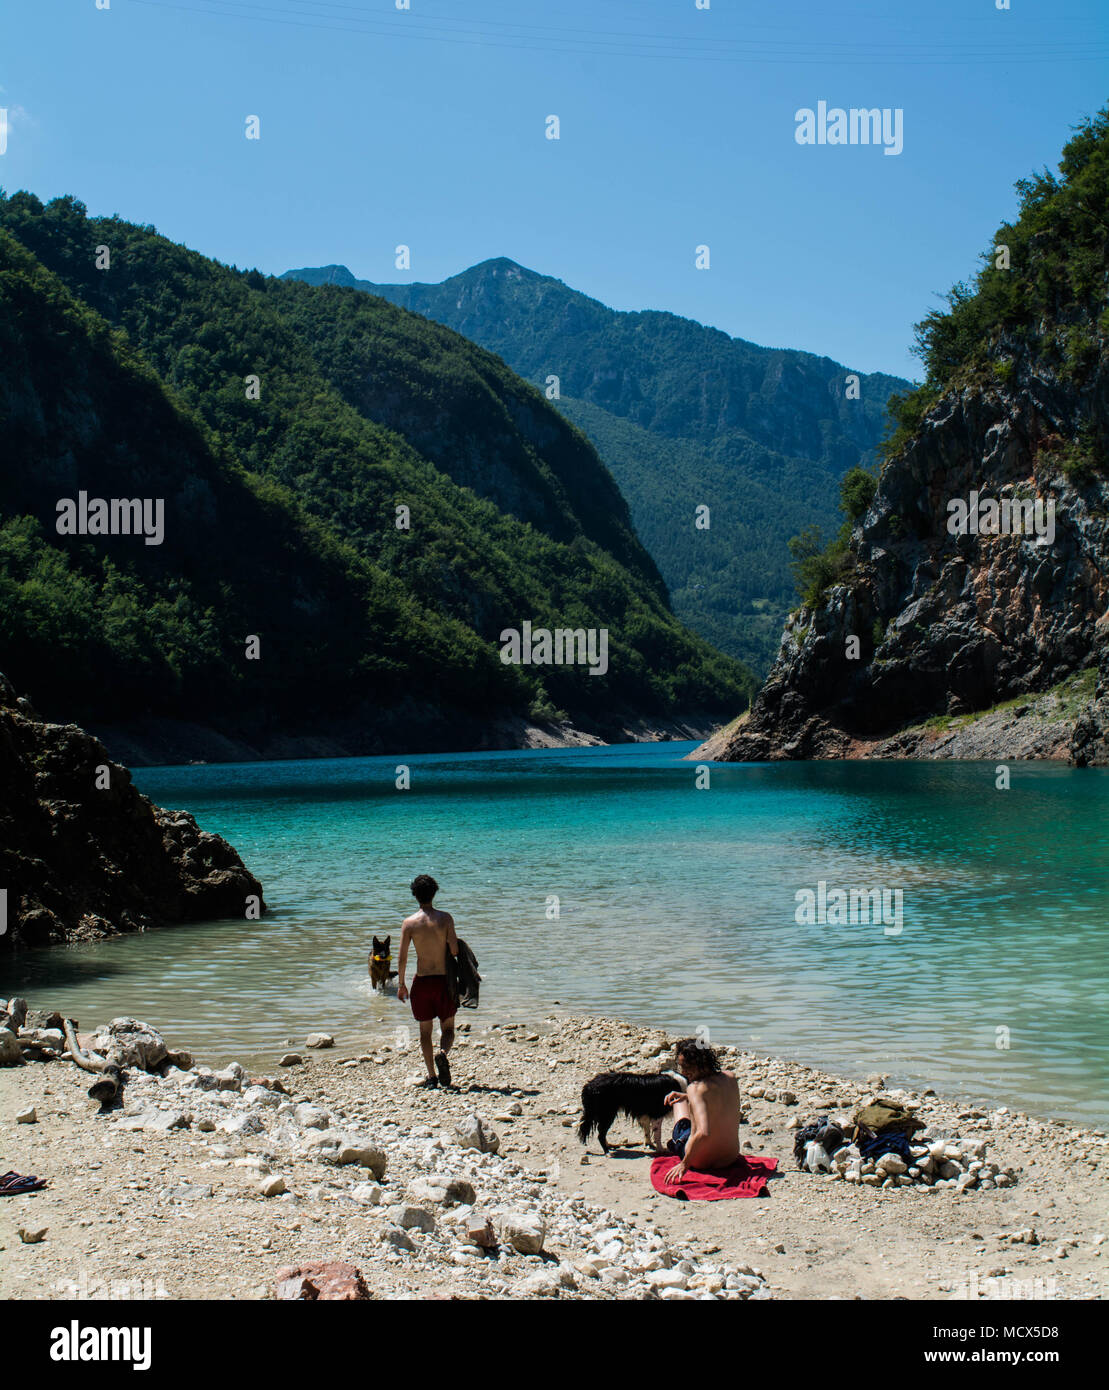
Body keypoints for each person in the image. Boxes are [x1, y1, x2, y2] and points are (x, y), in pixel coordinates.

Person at [397, 874, 459, 1088]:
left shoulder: (409, 923)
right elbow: (454, 950)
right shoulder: (445, 918)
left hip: (422, 983)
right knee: (448, 1028)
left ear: (415, 895)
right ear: (435, 893)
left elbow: (402, 957)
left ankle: (432, 1076)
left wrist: (402, 984)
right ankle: (443, 1053)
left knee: (425, 1031)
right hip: (443, 981)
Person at [662, 1037, 741, 1183]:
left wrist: (684, 1164)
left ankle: (676, 1142)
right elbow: (715, 1100)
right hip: (730, 1157)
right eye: (681, 1067)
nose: (684, 1072)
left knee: (677, 1105)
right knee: (684, 1100)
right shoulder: (730, 1077)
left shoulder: (695, 1088)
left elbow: (703, 1132)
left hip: (700, 1160)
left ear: (700, 1063)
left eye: (686, 1066)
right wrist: (687, 1096)